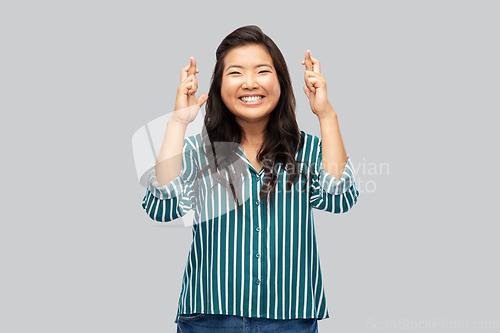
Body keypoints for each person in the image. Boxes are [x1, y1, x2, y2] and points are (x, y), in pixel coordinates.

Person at [142, 25, 359, 333]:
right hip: (208, 318)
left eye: (261, 71)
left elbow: (340, 198)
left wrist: (326, 115)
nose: (249, 83)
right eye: (235, 73)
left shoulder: (308, 149)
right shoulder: (198, 152)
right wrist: (178, 123)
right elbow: (161, 208)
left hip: (290, 318)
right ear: (218, 86)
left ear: (281, 82)